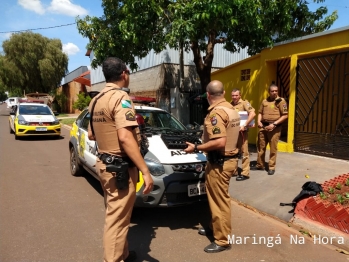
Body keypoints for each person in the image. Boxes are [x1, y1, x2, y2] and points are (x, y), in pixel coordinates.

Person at [87, 57, 153, 262]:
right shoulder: (121, 98)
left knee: (118, 214)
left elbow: (91, 135)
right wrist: (145, 171)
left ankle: (123, 253)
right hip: (120, 168)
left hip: (106, 164)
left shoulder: (95, 100)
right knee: (116, 220)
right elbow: (125, 137)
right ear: (124, 73)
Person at [184, 80, 240, 253]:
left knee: (219, 201)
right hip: (228, 161)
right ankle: (214, 227)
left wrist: (196, 147)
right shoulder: (232, 110)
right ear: (223, 93)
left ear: (208, 95)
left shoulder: (216, 114)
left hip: (220, 163)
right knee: (216, 198)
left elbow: (219, 141)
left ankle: (222, 240)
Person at [252, 83, 288, 175]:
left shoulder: (281, 101)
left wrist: (274, 124)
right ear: (269, 92)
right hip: (263, 127)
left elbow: (285, 116)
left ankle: (271, 167)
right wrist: (259, 121)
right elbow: (260, 112)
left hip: (274, 128)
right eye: (272, 91)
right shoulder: (264, 101)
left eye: (276, 91)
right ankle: (260, 165)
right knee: (261, 147)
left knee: (273, 149)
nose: (274, 93)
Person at [231, 89, 256, 181]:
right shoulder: (230, 105)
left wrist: (245, 124)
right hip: (233, 133)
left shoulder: (244, 103)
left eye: (236, 95)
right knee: (233, 152)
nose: (234, 97)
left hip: (242, 132)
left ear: (240, 95)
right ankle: (234, 171)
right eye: (233, 95)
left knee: (244, 152)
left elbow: (252, 113)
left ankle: (245, 173)